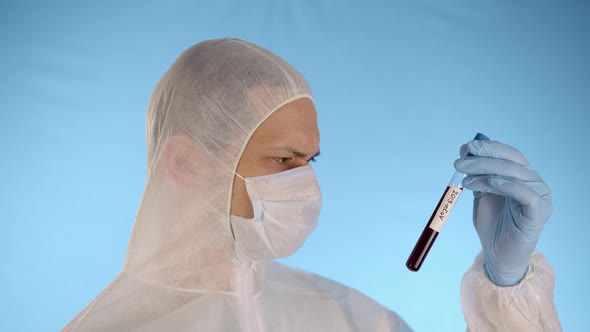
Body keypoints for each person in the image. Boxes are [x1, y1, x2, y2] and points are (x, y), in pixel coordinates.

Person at [62, 38, 561, 331]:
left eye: (309, 160)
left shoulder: (351, 319)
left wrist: (508, 289)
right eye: (283, 160)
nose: (304, 185)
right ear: (186, 164)